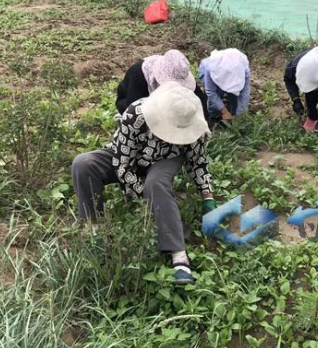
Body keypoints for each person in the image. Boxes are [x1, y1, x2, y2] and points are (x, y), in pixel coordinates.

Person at [71, 81, 217, 284]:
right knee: (83, 164)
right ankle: (93, 230)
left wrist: (207, 197)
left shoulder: (193, 123)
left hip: (166, 158)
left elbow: (198, 162)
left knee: (156, 183)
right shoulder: (136, 114)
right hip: (129, 157)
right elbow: (122, 164)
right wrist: (141, 195)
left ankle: (179, 254)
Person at [115, 49, 209, 120]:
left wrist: (206, 118)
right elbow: (134, 109)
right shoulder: (140, 74)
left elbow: (199, 98)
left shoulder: (179, 70)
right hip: (132, 100)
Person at [198, 48, 251, 124]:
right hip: (210, 75)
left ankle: (233, 111)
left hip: (233, 74)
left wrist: (240, 116)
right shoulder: (210, 68)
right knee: (216, 96)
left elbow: (244, 94)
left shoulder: (244, 70)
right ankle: (214, 117)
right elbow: (211, 91)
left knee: (234, 96)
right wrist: (224, 111)